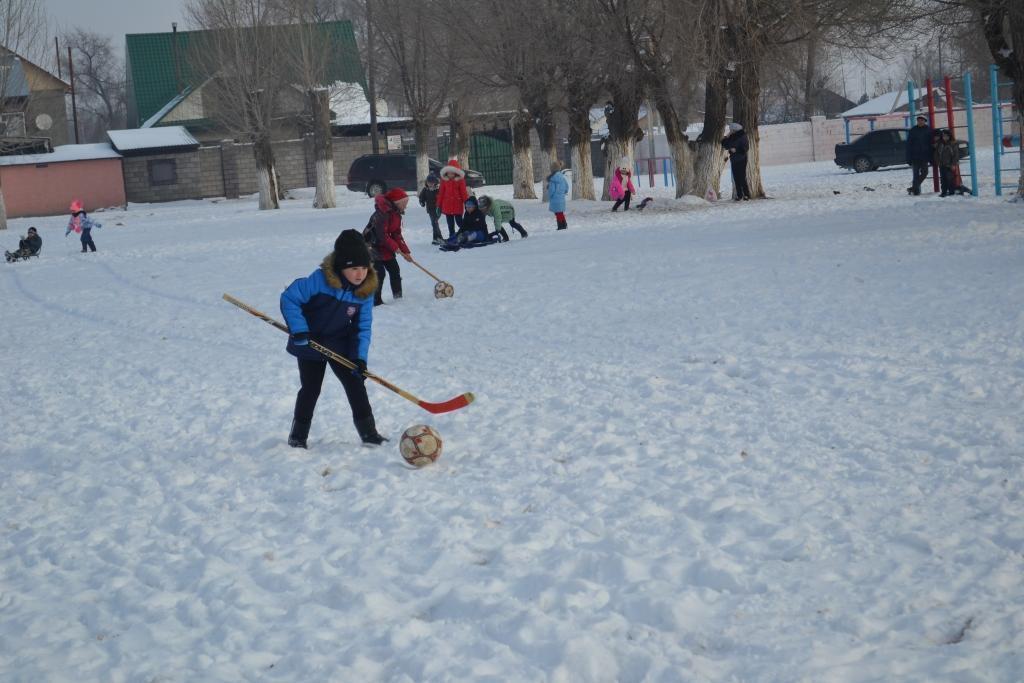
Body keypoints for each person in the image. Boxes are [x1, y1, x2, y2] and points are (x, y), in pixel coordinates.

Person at [280, 229, 386, 448]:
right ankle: (298, 436)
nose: (360, 274)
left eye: (364, 268)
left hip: (340, 342)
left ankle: (369, 433)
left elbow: (362, 327)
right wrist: (299, 330)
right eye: (354, 268)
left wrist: (359, 358)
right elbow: (290, 298)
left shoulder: (365, 291)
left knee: (355, 384)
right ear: (341, 266)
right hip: (310, 341)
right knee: (311, 389)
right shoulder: (319, 280)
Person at [366, 187, 413, 306]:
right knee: (379, 273)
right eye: (404, 203)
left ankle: (398, 297)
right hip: (371, 245)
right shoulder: (382, 214)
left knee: (394, 270)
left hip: (385, 246)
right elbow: (382, 235)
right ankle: (376, 301)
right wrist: (396, 248)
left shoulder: (396, 214)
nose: (406, 206)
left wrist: (405, 251)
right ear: (397, 202)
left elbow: (396, 234)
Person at [436, 158, 469, 240]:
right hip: (447, 206)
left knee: (459, 222)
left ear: (456, 173)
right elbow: (441, 193)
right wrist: (438, 205)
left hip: (457, 205)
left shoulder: (460, 180)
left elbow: (464, 193)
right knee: (450, 224)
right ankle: (452, 236)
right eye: (449, 173)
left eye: (452, 173)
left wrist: (467, 203)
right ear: (446, 172)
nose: (450, 175)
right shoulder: (444, 180)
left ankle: (465, 233)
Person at [722, 123, 751, 200]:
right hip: (734, 159)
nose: (730, 131)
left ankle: (746, 194)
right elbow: (724, 145)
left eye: (731, 129)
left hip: (742, 159)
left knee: (742, 177)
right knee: (736, 178)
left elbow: (746, 148)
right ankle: (739, 195)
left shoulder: (742, 136)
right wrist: (727, 136)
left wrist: (736, 150)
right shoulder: (731, 136)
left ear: (735, 129)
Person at [906, 115, 933, 196]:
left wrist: (931, 157)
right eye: (918, 120)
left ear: (925, 121)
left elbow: (931, 143)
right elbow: (909, 144)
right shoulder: (913, 130)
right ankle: (916, 191)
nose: (920, 122)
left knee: (925, 172)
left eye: (922, 120)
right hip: (915, 156)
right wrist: (909, 157)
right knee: (915, 174)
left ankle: (913, 188)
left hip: (924, 156)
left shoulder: (928, 130)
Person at [418, 173, 443, 244]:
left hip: (437, 209)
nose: (430, 184)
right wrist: (422, 202)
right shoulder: (425, 190)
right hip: (430, 209)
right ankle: (437, 238)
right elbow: (421, 197)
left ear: (435, 182)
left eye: (432, 183)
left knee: (434, 223)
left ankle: (437, 238)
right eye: (429, 182)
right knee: (434, 223)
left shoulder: (438, 190)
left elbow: (442, 198)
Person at [934, 129, 960, 197]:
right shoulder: (940, 144)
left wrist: (953, 164)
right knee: (943, 179)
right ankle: (944, 192)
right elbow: (936, 154)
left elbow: (955, 155)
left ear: (949, 136)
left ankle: (951, 191)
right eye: (943, 136)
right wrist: (938, 162)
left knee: (949, 178)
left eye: (946, 136)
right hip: (942, 164)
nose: (945, 137)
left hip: (949, 165)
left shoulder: (953, 144)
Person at [547, 160, 569, 230]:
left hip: (555, 199)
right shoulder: (562, 177)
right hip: (561, 198)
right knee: (560, 212)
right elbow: (566, 187)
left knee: (558, 213)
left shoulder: (553, 179)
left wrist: (550, 195)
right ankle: (564, 224)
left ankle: (561, 226)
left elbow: (551, 190)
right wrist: (563, 192)